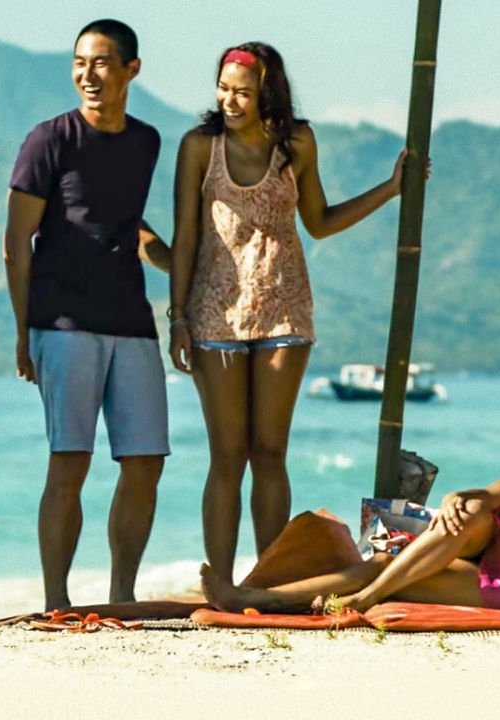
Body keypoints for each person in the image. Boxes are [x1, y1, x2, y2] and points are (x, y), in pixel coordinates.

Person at [168, 42, 419, 580]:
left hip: (285, 310)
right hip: (214, 312)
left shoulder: (298, 143)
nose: (229, 101)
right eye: (223, 89)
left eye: (242, 92)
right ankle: (221, 582)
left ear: (267, 94)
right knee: (227, 456)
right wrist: (177, 318)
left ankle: (268, 580)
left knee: (269, 452)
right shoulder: (199, 147)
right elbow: (185, 236)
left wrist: (391, 190)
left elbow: (320, 221)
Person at [201, 387, 500, 615]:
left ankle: (272, 598)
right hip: (487, 544)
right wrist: (461, 495)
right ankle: (256, 596)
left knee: (388, 565)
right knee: (472, 510)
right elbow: (491, 496)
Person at [4, 19, 172, 611]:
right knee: (70, 462)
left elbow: (130, 223)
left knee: (145, 462)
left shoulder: (147, 141)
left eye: (101, 62)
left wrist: (175, 261)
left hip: (132, 320)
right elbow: (16, 242)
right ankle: (58, 600)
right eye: (80, 62)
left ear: (131, 70)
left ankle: (122, 594)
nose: (88, 73)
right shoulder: (49, 139)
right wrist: (23, 333)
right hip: (63, 323)